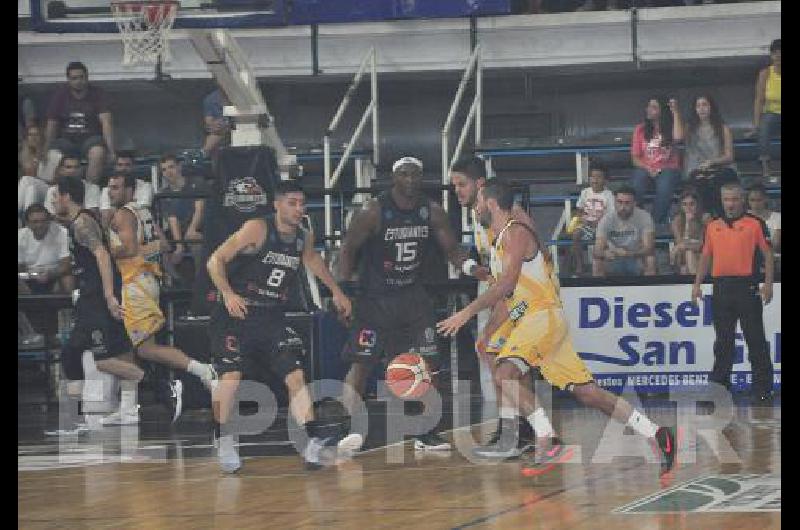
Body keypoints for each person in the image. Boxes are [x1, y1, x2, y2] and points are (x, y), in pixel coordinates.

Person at [437, 181, 676, 476]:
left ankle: (547, 440)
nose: (474, 209)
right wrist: (488, 332)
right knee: (588, 393)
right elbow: (510, 298)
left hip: (543, 317)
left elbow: (506, 285)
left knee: (505, 372)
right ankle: (656, 433)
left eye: (478, 204)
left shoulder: (516, 233)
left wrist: (467, 312)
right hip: (537, 320)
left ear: (492, 204)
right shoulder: (499, 241)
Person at [206, 180, 361, 473]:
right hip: (236, 315)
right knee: (232, 377)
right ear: (277, 204)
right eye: (292, 203)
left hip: (271, 317)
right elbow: (215, 260)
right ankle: (223, 437)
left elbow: (313, 261)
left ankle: (313, 442)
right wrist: (227, 293)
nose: (299, 209)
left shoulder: (303, 237)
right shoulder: (257, 228)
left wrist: (337, 292)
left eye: (302, 203)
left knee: (296, 376)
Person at [338, 156, 473, 452]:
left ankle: (426, 431)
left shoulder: (432, 211)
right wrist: (342, 292)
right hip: (375, 299)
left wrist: (472, 267)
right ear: (394, 177)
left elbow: (453, 250)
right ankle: (350, 427)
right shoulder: (374, 211)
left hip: (412, 298)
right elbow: (347, 250)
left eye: (416, 175)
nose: (410, 180)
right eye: (404, 174)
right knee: (362, 364)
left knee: (425, 365)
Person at [450, 156, 554, 457]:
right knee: (494, 354)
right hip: (508, 295)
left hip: (525, 296)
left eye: (461, 184)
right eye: (454, 184)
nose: (456, 190)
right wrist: (477, 268)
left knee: (507, 361)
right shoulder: (476, 213)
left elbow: (537, 250)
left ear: (480, 186)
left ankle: (526, 430)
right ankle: (516, 429)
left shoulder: (512, 215)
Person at [51, 176, 162, 433]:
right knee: (73, 353)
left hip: (97, 298)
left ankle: (156, 383)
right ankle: (82, 418)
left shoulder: (82, 224)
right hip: (92, 296)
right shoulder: (79, 221)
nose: (55, 200)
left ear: (67, 196)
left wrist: (110, 296)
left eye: (57, 195)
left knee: (102, 361)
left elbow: (102, 255)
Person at [106, 173, 217, 424]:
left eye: (116, 187)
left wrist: (106, 250)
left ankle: (201, 370)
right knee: (127, 346)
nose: (111, 192)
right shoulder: (143, 211)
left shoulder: (123, 214)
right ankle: (127, 408)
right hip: (147, 281)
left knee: (145, 348)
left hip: (135, 284)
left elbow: (130, 249)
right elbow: (164, 244)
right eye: (109, 187)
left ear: (130, 189)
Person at [691, 182, 775, 403]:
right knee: (723, 341)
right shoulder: (712, 226)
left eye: (734, 199)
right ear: (721, 200)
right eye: (726, 199)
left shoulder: (755, 224)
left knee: (755, 339)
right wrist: (697, 284)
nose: (730, 204)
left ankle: (763, 387)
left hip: (747, 286)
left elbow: (767, 255)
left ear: (742, 199)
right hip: (721, 287)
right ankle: (720, 388)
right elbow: (706, 256)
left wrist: (768, 284)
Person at [45, 62, 114, 185]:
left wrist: (111, 150)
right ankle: (51, 192)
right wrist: (46, 148)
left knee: (98, 152)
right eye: (74, 78)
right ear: (68, 80)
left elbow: (106, 122)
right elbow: (52, 124)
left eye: (81, 77)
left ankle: (89, 192)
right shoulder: (60, 95)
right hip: (66, 140)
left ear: (87, 78)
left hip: (90, 139)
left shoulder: (98, 94)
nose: (78, 81)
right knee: (52, 155)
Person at [630, 96, 684, 228]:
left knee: (665, 186)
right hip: (646, 167)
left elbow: (678, 137)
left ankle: (654, 223)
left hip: (668, 168)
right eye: (648, 106)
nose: (648, 110)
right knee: (637, 182)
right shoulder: (640, 129)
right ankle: (637, 220)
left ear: (662, 111)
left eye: (653, 107)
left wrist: (675, 112)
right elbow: (635, 158)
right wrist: (648, 168)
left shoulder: (671, 127)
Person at [681, 94, 738, 217]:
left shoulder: (723, 128)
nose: (701, 108)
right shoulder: (689, 129)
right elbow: (678, 139)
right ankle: (707, 218)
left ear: (711, 107)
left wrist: (712, 162)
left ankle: (722, 217)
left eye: (705, 105)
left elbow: (729, 156)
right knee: (701, 182)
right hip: (698, 168)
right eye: (698, 106)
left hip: (721, 167)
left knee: (718, 181)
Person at [158, 153, 206, 286]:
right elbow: (172, 219)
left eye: (171, 167)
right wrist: (179, 245)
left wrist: (192, 230)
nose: (168, 172)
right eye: (164, 169)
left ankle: (201, 282)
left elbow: (199, 209)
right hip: (180, 233)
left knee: (196, 242)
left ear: (179, 167)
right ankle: (177, 281)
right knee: (159, 247)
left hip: (201, 228)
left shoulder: (196, 182)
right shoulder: (164, 194)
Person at [592, 186, 657, 277]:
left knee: (650, 259)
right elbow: (596, 250)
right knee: (597, 261)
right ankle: (600, 290)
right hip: (614, 258)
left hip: (636, 257)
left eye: (627, 203)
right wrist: (605, 253)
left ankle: (648, 290)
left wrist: (630, 254)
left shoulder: (644, 217)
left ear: (634, 203)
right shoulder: (606, 219)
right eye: (620, 202)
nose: (623, 207)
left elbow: (649, 247)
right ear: (615, 202)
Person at [569, 163, 615, 276]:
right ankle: (580, 265)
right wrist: (582, 218)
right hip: (586, 224)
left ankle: (601, 267)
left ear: (605, 180)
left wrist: (599, 223)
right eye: (593, 177)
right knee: (576, 234)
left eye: (599, 177)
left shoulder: (608, 195)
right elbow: (579, 209)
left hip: (602, 227)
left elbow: (612, 215)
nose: (595, 180)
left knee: (602, 240)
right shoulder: (585, 192)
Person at [18, 204, 73, 295]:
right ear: (27, 223)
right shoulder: (20, 236)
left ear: (49, 221)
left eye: (43, 221)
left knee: (68, 277)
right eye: (35, 222)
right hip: (29, 277)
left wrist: (51, 274)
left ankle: (68, 307)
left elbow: (66, 263)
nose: (40, 225)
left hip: (54, 275)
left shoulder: (61, 232)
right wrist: (31, 274)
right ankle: (28, 306)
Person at [751, 39, 781, 183]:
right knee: (764, 125)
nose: (779, 58)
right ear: (771, 55)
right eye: (776, 54)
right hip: (772, 113)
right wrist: (756, 124)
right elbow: (759, 99)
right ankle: (765, 167)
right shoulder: (765, 74)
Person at [99, 151, 153, 229]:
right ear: (115, 167)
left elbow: (142, 212)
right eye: (120, 165)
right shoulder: (107, 189)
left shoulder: (146, 186)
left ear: (133, 167)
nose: (123, 169)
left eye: (127, 165)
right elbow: (106, 216)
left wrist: (115, 209)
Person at [19, 125, 61, 216]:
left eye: (36, 135)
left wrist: (40, 152)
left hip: (49, 190)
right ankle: (27, 218)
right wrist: (35, 157)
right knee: (31, 189)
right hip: (35, 189)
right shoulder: (25, 155)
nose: (33, 138)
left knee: (26, 179)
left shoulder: (55, 155)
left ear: (42, 137)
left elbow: (56, 181)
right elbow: (32, 175)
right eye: (30, 135)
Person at [45, 153, 101, 222]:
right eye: (68, 167)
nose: (73, 170)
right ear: (61, 170)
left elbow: (91, 217)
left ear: (82, 169)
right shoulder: (52, 190)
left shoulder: (92, 188)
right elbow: (50, 217)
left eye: (76, 167)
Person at [669, 189, 711, 275]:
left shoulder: (706, 218)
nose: (688, 208)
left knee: (689, 253)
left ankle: (694, 282)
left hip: (705, 256)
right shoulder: (677, 221)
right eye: (684, 204)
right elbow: (680, 243)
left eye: (692, 204)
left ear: (698, 205)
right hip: (683, 257)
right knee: (687, 254)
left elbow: (704, 245)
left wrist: (685, 246)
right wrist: (687, 223)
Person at [747, 184, 780, 256]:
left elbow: (775, 245)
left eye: (759, 200)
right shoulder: (743, 217)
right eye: (752, 200)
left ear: (766, 199)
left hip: (773, 258)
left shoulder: (778, 218)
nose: (755, 204)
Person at [202, 88, 232, 158]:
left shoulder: (244, 95)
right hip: (219, 134)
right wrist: (215, 125)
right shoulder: (211, 99)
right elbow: (209, 123)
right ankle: (203, 155)